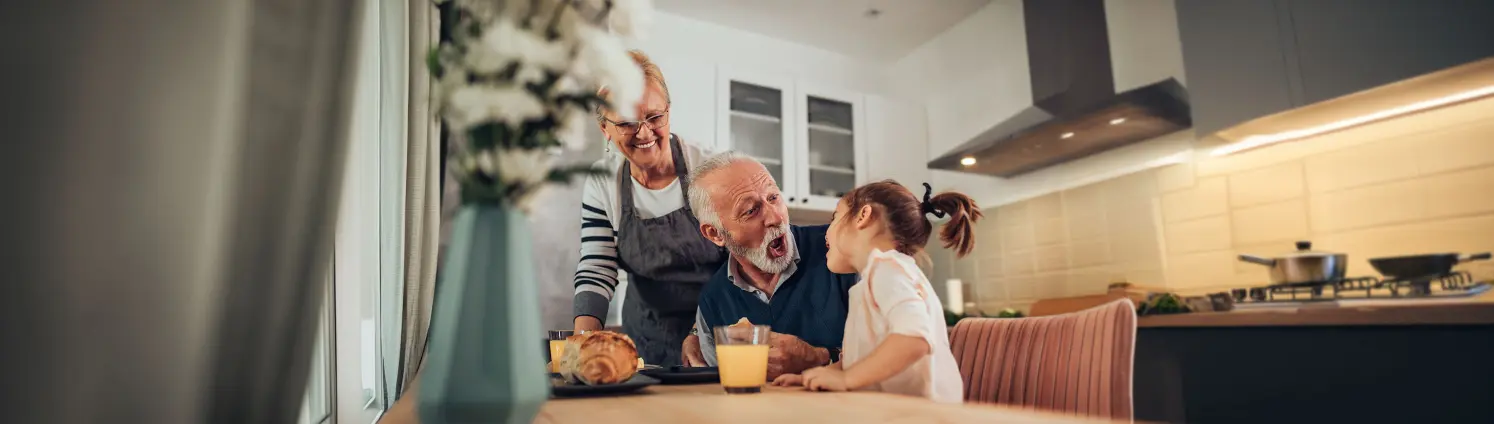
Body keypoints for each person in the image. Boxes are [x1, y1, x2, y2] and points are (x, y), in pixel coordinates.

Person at [569, 50, 726, 366]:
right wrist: (583, 345)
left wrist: (701, 332)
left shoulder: (709, 168)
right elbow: (597, 267)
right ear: (605, 130)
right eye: (626, 123)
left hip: (719, 330)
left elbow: (740, 264)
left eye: (655, 117)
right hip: (645, 339)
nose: (644, 133)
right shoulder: (603, 182)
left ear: (669, 111)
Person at [771, 181, 980, 404]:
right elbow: (862, 357)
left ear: (863, 216)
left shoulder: (888, 269)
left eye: (835, 217)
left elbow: (915, 339)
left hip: (924, 415)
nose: (827, 230)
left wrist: (848, 379)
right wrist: (818, 376)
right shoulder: (874, 278)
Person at [680, 152, 859, 380]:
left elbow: (900, 353)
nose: (776, 218)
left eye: (773, 197)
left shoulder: (843, 251)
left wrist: (819, 357)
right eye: (751, 211)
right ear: (715, 233)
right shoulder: (713, 301)